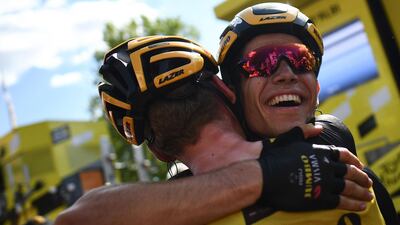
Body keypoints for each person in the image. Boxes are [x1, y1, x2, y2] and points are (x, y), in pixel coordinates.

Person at [55, 35, 375, 225]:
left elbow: (74, 219)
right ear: (225, 91)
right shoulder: (335, 165)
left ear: (158, 150)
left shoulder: (157, 214)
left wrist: (264, 177)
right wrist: (268, 173)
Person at [216, 2, 398, 224]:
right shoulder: (203, 202)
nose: (286, 74)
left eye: (301, 60)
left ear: (316, 89)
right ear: (233, 92)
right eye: (262, 62)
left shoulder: (359, 180)